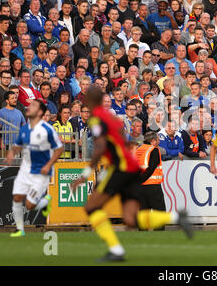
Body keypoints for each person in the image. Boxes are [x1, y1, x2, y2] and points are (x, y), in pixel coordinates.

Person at [71, 87, 192, 262]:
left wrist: (85, 173)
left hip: (119, 168)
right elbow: (120, 134)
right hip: (131, 167)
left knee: (91, 207)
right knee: (131, 219)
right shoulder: (111, 118)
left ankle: (115, 250)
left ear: (89, 100)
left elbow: (100, 146)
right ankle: (176, 217)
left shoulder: (96, 118)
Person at [4, 99, 64, 237]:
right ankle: (20, 229)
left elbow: (59, 149)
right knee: (17, 198)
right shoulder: (24, 128)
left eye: (33, 106)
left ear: (40, 112)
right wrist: (11, 153)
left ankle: (45, 201)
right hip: (25, 170)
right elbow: (18, 144)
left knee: (30, 205)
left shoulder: (47, 129)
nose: (29, 107)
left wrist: (48, 165)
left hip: (40, 172)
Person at [135, 132, 166, 214]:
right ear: (153, 141)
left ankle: (142, 227)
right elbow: (151, 168)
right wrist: (142, 180)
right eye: (158, 140)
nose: (159, 142)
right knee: (160, 212)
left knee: (144, 212)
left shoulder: (138, 150)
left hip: (141, 187)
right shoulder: (154, 150)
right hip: (152, 186)